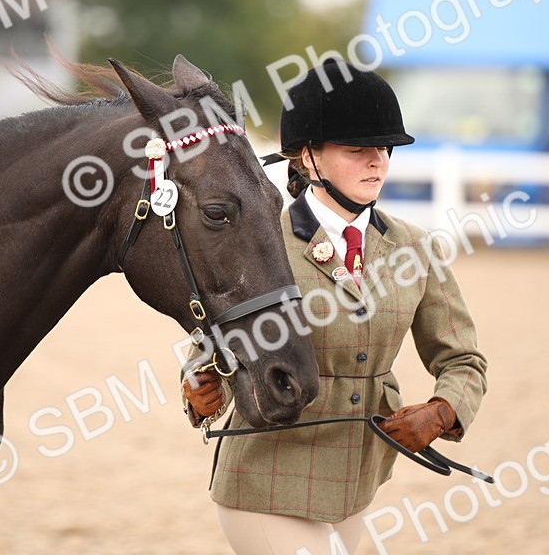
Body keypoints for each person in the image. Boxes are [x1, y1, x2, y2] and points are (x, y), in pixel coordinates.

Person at [181, 59, 487, 555]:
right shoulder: (262, 243)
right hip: (266, 476)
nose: (377, 162)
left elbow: (462, 360)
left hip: (358, 483)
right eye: (357, 149)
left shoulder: (417, 249)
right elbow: (206, 351)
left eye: (384, 149)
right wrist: (196, 384)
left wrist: (442, 411)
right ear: (308, 157)